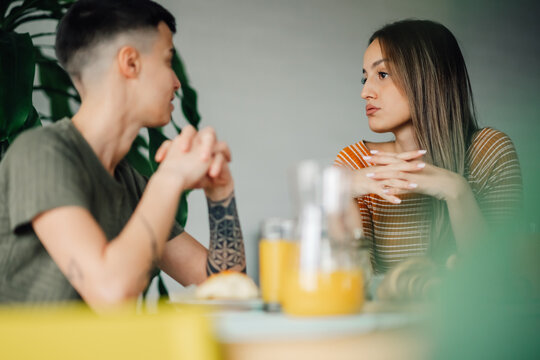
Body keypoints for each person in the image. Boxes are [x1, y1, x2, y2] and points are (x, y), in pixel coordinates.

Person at [0, 0, 245, 309]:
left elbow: (227, 288)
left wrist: (220, 192)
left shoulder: (129, 182)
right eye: (167, 60)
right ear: (130, 63)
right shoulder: (39, 153)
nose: (176, 81)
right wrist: (170, 177)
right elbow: (110, 293)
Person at [335, 20, 522, 273]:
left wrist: (456, 190)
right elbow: (355, 288)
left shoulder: (489, 152)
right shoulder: (355, 163)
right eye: (364, 78)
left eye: (382, 74)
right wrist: (340, 195)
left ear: (427, 76)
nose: (365, 91)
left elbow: (501, 280)